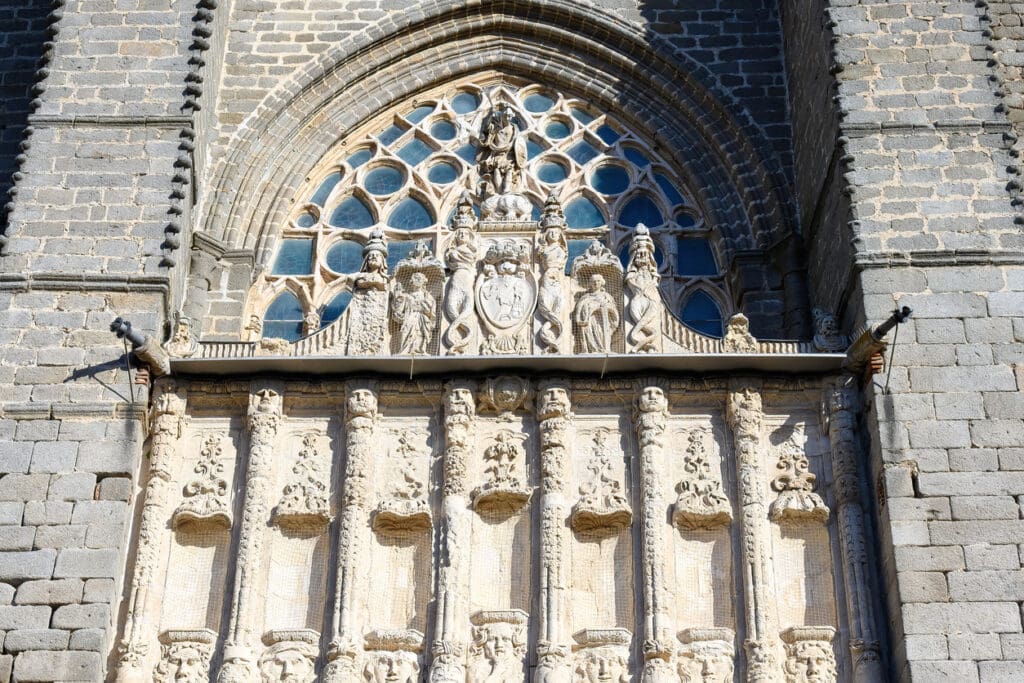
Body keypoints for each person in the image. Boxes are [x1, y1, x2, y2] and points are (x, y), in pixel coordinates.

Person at [574, 273, 619, 353]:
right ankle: (593, 349)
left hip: (603, 322)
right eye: (593, 281)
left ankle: (604, 349)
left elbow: (613, 309)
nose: (596, 283)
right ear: (590, 283)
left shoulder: (606, 296)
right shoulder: (585, 297)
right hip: (590, 322)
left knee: (601, 335)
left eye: (598, 281)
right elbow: (579, 309)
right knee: (590, 334)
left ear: (602, 282)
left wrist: (604, 307)